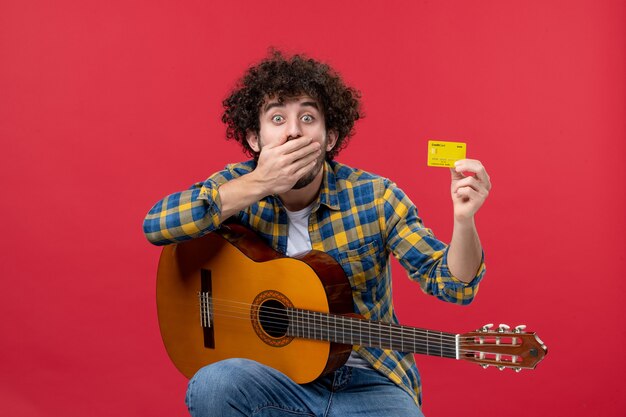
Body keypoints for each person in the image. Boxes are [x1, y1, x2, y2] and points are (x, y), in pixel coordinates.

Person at [143, 50, 491, 417]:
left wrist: (464, 220)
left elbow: (454, 286)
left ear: (329, 139)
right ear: (255, 139)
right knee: (214, 384)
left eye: (307, 117)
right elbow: (156, 225)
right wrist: (260, 182)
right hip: (274, 377)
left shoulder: (376, 196)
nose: (293, 130)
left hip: (368, 380)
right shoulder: (236, 186)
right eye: (277, 118)